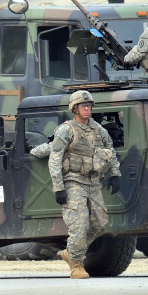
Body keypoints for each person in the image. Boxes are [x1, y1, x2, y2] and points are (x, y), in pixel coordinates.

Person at [44, 90, 121, 279]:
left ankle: (71, 253)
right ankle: (77, 265)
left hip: (93, 181)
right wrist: (59, 187)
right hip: (73, 181)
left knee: (100, 223)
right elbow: (55, 158)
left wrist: (115, 173)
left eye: (89, 106)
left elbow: (109, 149)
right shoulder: (66, 130)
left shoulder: (97, 129)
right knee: (79, 224)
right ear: (74, 108)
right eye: (83, 106)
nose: (87, 108)